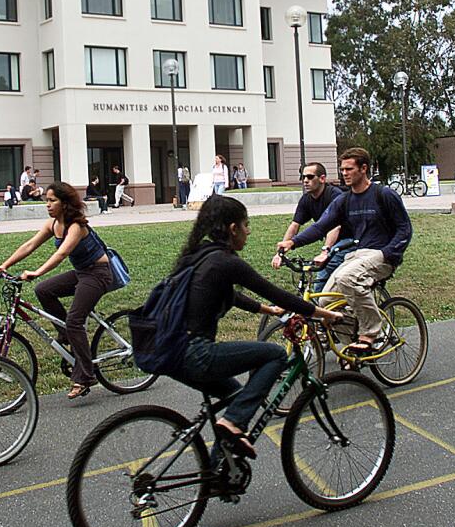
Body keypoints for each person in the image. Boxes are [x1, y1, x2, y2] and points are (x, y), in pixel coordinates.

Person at [170, 195, 344, 458]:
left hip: (171, 351)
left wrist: (268, 311)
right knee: (274, 354)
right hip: (195, 352)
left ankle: (220, 466)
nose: (248, 231)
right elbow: (276, 293)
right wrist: (323, 314)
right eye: (246, 224)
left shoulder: (200, 255)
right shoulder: (226, 261)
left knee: (235, 394)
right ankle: (232, 423)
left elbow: (230, 295)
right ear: (232, 229)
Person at [277, 147, 413, 355]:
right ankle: (353, 345)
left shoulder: (383, 194)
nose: (344, 174)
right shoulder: (344, 200)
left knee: (346, 277)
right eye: (342, 170)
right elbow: (320, 227)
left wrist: (389, 252)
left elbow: (405, 228)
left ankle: (370, 333)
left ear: (363, 168)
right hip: (358, 254)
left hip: (382, 255)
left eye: (349, 169)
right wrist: (292, 242)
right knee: (326, 302)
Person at [0, 182, 114, 400]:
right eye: (46, 200)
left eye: (52, 201)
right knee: (44, 290)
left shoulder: (76, 226)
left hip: (98, 273)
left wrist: (36, 271)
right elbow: (29, 245)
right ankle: (67, 334)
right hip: (81, 272)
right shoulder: (53, 224)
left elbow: (61, 255)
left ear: (64, 203)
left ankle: (85, 376)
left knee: (75, 320)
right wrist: (5, 264)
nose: (47, 204)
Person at [272, 162, 350, 290]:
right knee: (321, 281)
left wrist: (325, 251)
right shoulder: (306, 199)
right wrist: (280, 252)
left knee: (325, 271)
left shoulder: (334, 195)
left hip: (349, 240)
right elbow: (294, 226)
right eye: (303, 177)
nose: (305, 181)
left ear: (322, 179)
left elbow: (335, 226)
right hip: (333, 243)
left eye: (310, 177)